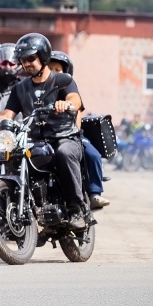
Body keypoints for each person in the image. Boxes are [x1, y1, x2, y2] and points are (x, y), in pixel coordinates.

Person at [0, 33, 86, 230]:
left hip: (64, 136)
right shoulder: (20, 88)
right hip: (35, 140)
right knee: (13, 159)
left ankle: (76, 209)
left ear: (44, 56)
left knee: (64, 153)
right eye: (23, 60)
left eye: (31, 58)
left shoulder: (62, 80)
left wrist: (66, 103)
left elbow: (76, 99)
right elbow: (8, 113)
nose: (27, 64)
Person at [47, 50, 110, 209]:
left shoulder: (69, 90)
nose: (54, 72)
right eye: (50, 68)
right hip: (46, 137)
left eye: (58, 69)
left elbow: (78, 114)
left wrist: (74, 133)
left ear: (66, 73)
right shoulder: (39, 92)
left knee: (92, 154)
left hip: (71, 135)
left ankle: (95, 193)